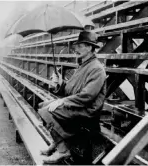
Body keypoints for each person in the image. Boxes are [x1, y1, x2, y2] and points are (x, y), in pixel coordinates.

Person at [38, 31, 106, 164]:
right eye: (76, 46)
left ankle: (63, 150)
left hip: (87, 111)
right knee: (42, 105)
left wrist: (62, 101)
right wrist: (59, 83)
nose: (76, 49)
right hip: (78, 105)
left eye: (80, 46)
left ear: (90, 47)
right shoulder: (82, 65)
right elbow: (70, 90)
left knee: (47, 111)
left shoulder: (97, 68)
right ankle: (57, 142)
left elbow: (87, 96)